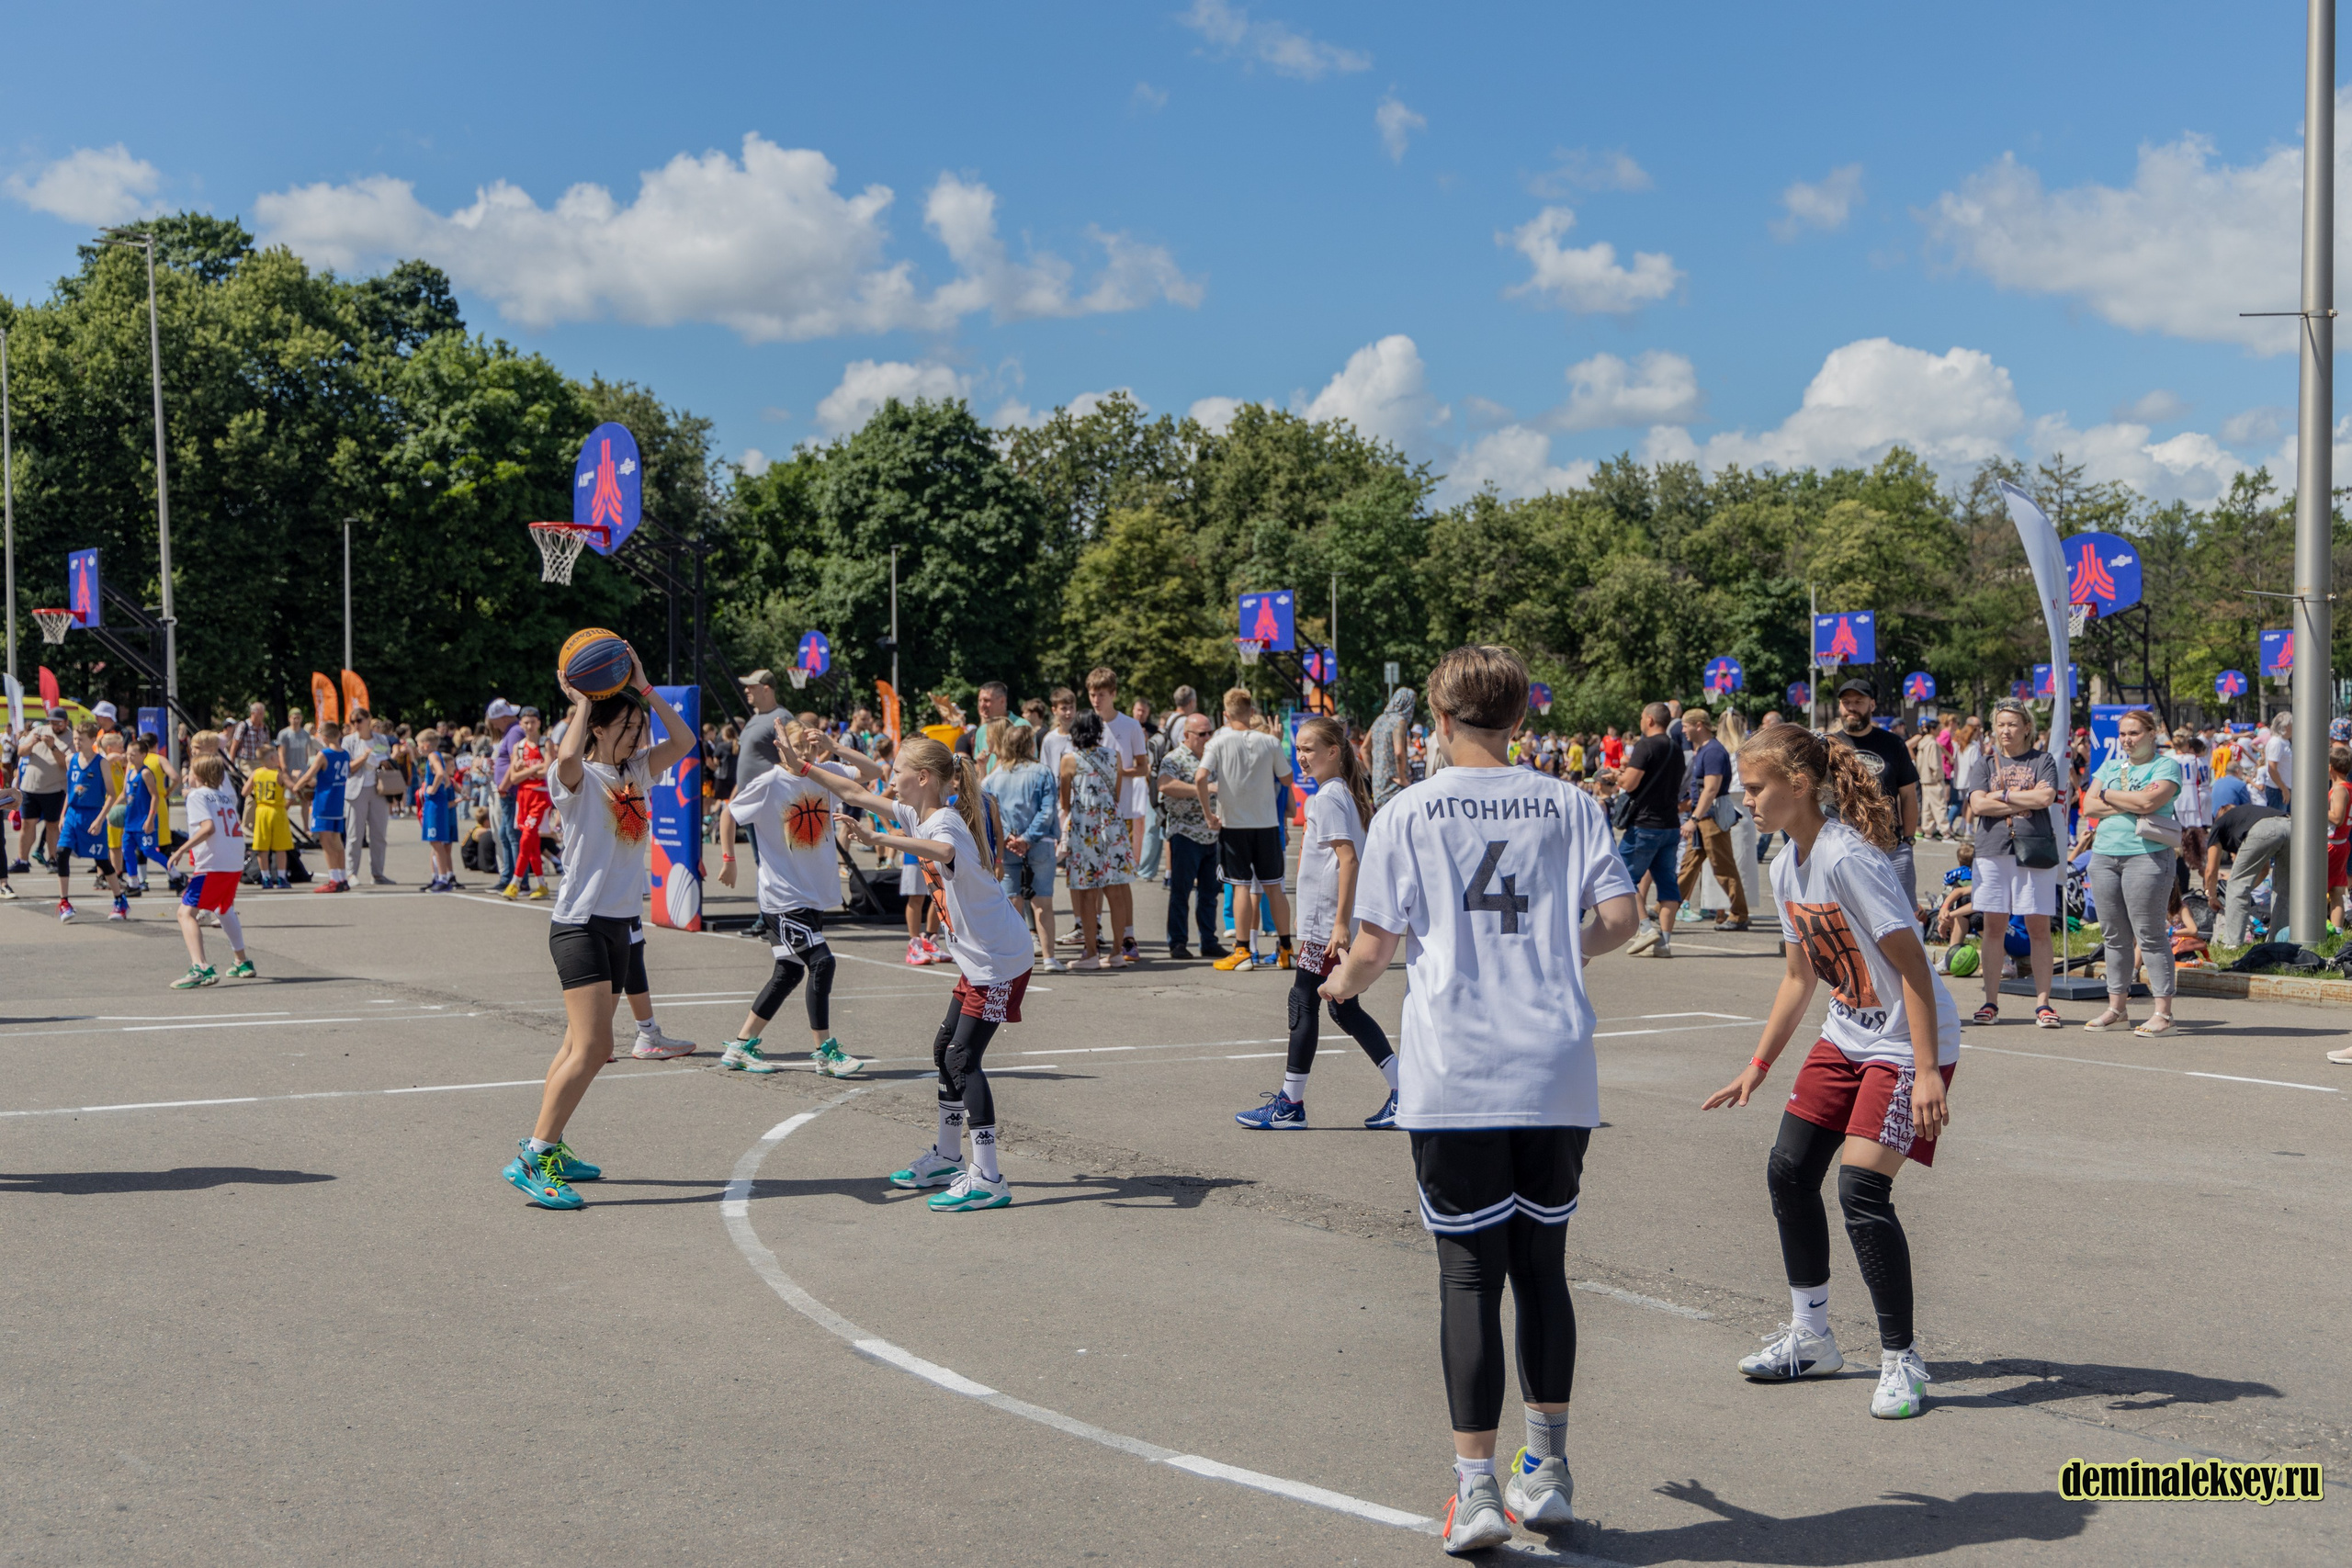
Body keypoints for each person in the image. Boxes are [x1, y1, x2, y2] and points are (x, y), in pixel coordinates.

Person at [1320, 645, 1640, 1552]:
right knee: (1543, 1266)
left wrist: (1338, 984)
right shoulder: (1570, 802)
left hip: (1455, 1067)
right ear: (1519, 718)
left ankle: (1476, 1489)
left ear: (1442, 718)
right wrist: (1550, 956)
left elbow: (1377, 946)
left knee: (1467, 1273)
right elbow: (1617, 920)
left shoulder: (1410, 812)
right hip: (1552, 1063)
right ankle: (1546, 1470)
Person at [1701, 721, 1958, 1422]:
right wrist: (1758, 1065)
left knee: (1861, 1190)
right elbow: (1797, 977)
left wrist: (1929, 1070)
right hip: (1847, 1034)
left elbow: (1912, 968)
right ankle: (1811, 1336)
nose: (1744, 800)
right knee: (1788, 1169)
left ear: (1798, 785)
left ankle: (1903, 1357)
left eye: (1754, 788)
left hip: (1909, 1042)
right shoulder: (1786, 865)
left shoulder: (1849, 859)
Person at [779, 729, 1035, 1213]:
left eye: (897, 771)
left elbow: (941, 853)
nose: (889, 778)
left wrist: (877, 838)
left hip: (1000, 960)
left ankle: (989, 1178)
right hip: (980, 960)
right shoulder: (919, 811)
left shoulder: (945, 824)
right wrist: (807, 767)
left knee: (963, 1058)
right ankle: (946, 1155)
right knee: (945, 1050)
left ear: (922, 778)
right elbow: (856, 793)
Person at [503, 648, 695, 1212]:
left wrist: (646, 690)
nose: (639, 735)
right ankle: (531, 1159)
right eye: (629, 726)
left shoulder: (636, 770)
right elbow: (564, 757)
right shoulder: (578, 776)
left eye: (641, 727)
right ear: (600, 728)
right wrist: (585, 702)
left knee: (574, 1045)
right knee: (595, 1048)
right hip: (580, 924)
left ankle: (550, 1145)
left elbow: (683, 743)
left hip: (617, 924)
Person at [1234, 715, 1399, 1131]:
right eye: (1298, 749)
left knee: (1304, 1001)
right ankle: (1405, 1091)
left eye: (1309, 749)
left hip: (1326, 923)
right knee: (1344, 1007)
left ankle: (1290, 1105)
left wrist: (1341, 924)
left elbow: (1348, 860)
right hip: (1328, 920)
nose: (1301, 757)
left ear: (1333, 752)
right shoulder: (1340, 793)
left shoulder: (1328, 797)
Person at [2079, 709, 2181, 1036]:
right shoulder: (2110, 766)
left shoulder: (2166, 766)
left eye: (2134, 733)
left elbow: (2150, 803)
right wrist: (2131, 800)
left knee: (2149, 933)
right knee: (2114, 935)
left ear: (2153, 734)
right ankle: (2116, 1008)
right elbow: (2088, 806)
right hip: (2105, 856)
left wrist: (2107, 794)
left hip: (2147, 855)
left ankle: (2163, 1013)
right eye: (2123, 734)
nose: (2127, 740)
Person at [1965, 699, 2064, 1027]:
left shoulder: (2042, 760)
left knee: (2038, 927)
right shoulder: (1985, 764)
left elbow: (2044, 798)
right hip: (1993, 850)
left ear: (2026, 728)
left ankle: (2043, 1003)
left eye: (2012, 724)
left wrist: (2002, 797)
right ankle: (1990, 1002)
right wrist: (2020, 798)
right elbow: (1978, 804)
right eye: (2001, 724)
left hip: (2034, 850)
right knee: (1993, 928)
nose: (2006, 730)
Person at [1202, 687, 1292, 972]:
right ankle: (1286, 948)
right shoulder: (1269, 742)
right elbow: (1288, 779)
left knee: (1240, 885)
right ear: (1252, 711)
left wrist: (1209, 814)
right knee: (1274, 887)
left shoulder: (1218, 741)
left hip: (1235, 823)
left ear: (1226, 715)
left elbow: (1201, 776)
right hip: (1266, 823)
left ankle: (1242, 950)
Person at [1826, 680, 1922, 910]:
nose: (1851, 707)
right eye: (1846, 702)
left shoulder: (1893, 744)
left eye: (1858, 702)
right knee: (1847, 916)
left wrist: (1908, 840)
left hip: (1890, 848)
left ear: (1872, 705)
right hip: (1842, 847)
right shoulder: (1829, 745)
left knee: (1902, 913)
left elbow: (1908, 795)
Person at [166, 753, 256, 987]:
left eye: (191, 771)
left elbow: (208, 828)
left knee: (185, 913)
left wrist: (180, 850)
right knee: (224, 909)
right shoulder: (225, 797)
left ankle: (201, 967)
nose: (188, 775)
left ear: (199, 775)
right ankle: (241, 961)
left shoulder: (197, 796)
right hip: (234, 860)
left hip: (214, 864)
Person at [980, 723, 1065, 973]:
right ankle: (1049, 958)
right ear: (1031, 745)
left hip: (1007, 846)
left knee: (1011, 902)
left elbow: (991, 812)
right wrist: (1027, 838)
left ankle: (1014, 958)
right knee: (1043, 902)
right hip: (1039, 844)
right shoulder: (1042, 772)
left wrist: (1008, 836)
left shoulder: (994, 777)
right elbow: (1048, 810)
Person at [1057, 709, 1135, 970]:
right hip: (1112, 828)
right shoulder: (1115, 756)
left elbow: (1064, 802)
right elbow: (1116, 793)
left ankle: (1090, 953)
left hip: (1085, 829)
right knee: (1115, 892)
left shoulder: (1069, 760)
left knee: (1088, 893)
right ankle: (1116, 952)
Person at [1086, 669, 1150, 960]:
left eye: (1101, 693)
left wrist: (1118, 772)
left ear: (1113, 694)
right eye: (1092, 694)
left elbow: (1144, 767)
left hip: (1120, 812)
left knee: (1120, 879)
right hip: (1091, 814)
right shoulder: (1087, 725)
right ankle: (1095, 933)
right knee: (1093, 878)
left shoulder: (1130, 726)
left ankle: (1128, 935)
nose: (1096, 699)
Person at [1155, 710, 1227, 961]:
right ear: (1186, 735)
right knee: (1180, 892)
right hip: (1184, 834)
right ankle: (1177, 942)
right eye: (1202, 733)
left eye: (1210, 732)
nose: (1207, 737)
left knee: (1209, 894)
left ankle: (1209, 941)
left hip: (1212, 834)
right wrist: (1201, 789)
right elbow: (1164, 784)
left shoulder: (1213, 757)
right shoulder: (1175, 758)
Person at [1617, 702, 1685, 959]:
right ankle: (1664, 943)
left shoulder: (1645, 745)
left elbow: (1631, 783)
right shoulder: (1676, 749)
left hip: (1645, 825)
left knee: (1622, 876)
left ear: (1649, 720)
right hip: (1670, 824)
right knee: (1668, 884)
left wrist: (1619, 777)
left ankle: (1645, 928)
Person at [1675, 708, 1750, 933]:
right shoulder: (1704, 750)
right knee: (1688, 866)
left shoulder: (1713, 751)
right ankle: (1666, 907)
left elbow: (1711, 789)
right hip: (1703, 818)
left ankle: (1738, 915)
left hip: (1711, 817)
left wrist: (1694, 818)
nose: (1683, 731)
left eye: (1686, 726)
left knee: (1723, 867)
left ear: (1699, 725)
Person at [54, 717, 118, 922]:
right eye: (74, 738)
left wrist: (100, 819)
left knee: (101, 860)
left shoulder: (102, 763)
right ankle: (64, 902)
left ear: (92, 739)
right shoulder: (70, 759)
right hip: (73, 813)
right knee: (61, 853)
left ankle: (119, 898)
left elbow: (112, 794)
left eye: (80, 739)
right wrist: (63, 814)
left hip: (93, 814)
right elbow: (70, 790)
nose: (76, 742)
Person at [2207, 799, 2292, 947]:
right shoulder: (2246, 819)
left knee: (2235, 885)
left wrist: (2212, 896)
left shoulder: (2218, 826)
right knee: (2284, 891)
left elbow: (2211, 869)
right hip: (2290, 825)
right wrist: (2247, 890)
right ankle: (2278, 944)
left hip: (2265, 829)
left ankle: (2232, 943)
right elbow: (2264, 869)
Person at [12, 710, 70, 876]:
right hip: (30, 787)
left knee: (52, 825)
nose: (55, 726)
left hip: (54, 789)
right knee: (27, 824)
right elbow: (21, 752)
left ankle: (52, 859)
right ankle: (22, 860)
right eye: (52, 722)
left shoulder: (70, 738)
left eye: (58, 723)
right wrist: (31, 744)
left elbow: (65, 763)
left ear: (66, 722)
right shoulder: (39, 731)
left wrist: (52, 746)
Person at [503, 708, 553, 900]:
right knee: (532, 843)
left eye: (532, 722)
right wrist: (533, 769)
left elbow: (547, 771)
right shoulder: (519, 746)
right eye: (526, 722)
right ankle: (541, 885)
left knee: (526, 838)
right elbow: (514, 778)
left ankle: (515, 882)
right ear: (520, 724)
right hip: (523, 797)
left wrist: (525, 769)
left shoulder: (546, 743)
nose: (529, 726)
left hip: (540, 797)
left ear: (539, 723)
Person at [343, 709, 396, 886]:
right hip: (356, 790)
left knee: (379, 834)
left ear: (368, 719)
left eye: (359, 720)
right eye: (352, 721)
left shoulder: (380, 739)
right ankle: (351, 873)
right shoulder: (349, 741)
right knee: (354, 835)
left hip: (378, 788)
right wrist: (364, 757)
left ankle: (378, 874)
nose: (356, 724)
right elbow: (347, 767)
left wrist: (383, 761)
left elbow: (387, 759)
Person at [300, 720, 351, 892]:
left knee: (326, 842)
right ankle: (343, 878)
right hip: (338, 801)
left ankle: (334, 880)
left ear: (325, 736)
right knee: (337, 841)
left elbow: (309, 775)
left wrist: (296, 785)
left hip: (324, 802)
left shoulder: (324, 754)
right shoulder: (345, 754)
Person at [244, 741, 294, 889]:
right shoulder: (278, 774)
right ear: (272, 758)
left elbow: (244, 792)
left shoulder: (256, 773)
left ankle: (265, 877)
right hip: (277, 810)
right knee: (281, 847)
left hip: (261, 810)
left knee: (262, 847)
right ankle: (281, 877)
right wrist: (296, 779)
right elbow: (293, 787)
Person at [417, 731, 460, 892]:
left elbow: (441, 774)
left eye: (419, 744)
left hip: (435, 804)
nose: (418, 748)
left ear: (426, 744)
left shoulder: (432, 756)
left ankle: (443, 878)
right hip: (435, 804)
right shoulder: (437, 757)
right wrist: (442, 787)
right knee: (434, 841)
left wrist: (431, 790)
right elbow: (447, 780)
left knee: (436, 842)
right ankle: (437, 877)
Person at [1369, 686, 1416, 811]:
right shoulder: (1400, 721)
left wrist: (1374, 773)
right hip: (1394, 786)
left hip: (1378, 785)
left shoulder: (1379, 720)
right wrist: (1402, 779)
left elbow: (1364, 748)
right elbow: (1399, 752)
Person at [277, 707, 313, 832]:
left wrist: (307, 766)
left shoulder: (305, 734)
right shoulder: (284, 734)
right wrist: (284, 767)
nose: (296, 720)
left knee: (305, 799)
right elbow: (281, 751)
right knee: (290, 799)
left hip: (302, 770)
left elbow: (306, 752)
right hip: (289, 770)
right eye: (294, 717)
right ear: (289, 718)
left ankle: (305, 827)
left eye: (298, 717)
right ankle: (277, 823)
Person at [2264, 713, 2294, 808]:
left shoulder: (2284, 742)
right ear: (2285, 727)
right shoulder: (2277, 743)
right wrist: (2283, 788)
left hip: (2283, 788)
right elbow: (2272, 768)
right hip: (2278, 790)